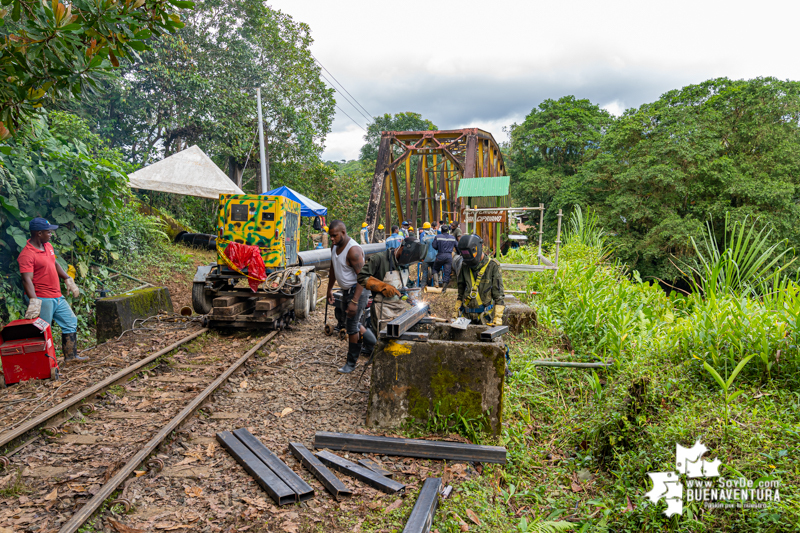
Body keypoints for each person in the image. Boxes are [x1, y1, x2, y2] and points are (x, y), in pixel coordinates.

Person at [19, 217, 86, 363]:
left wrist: (67, 278)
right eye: (48, 232)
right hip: (43, 298)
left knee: (70, 321)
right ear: (38, 233)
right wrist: (34, 300)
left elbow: (54, 262)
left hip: (57, 295)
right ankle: (43, 364)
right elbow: (26, 279)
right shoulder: (27, 254)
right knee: (43, 331)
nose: (51, 234)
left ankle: (71, 356)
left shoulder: (48, 246)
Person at [326, 221, 376, 373]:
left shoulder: (353, 250)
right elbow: (333, 268)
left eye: (334, 236)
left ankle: (351, 363)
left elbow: (363, 277)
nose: (332, 239)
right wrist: (329, 289)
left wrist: (354, 301)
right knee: (349, 322)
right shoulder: (334, 246)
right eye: (330, 236)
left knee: (352, 327)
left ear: (343, 232)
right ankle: (375, 346)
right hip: (347, 289)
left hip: (358, 290)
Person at [358, 236, 426, 334]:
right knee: (384, 341)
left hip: (400, 309)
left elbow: (406, 283)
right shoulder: (379, 259)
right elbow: (361, 277)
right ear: (402, 248)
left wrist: (412, 296)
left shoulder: (405, 263)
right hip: (382, 310)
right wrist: (382, 287)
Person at [454, 234, 505, 326]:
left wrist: (497, 317)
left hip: (484, 317)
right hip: (466, 317)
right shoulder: (465, 265)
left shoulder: (492, 266)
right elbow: (460, 292)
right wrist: (456, 311)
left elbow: (499, 295)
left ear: (480, 247)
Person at [420, 222, 437, 287]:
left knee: (425, 272)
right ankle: (435, 284)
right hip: (435, 258)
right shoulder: (435, 237)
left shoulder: (424, 238)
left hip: (426, 258)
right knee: (435, 271)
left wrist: (421, 258)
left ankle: (423, 285)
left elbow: (422, 249)